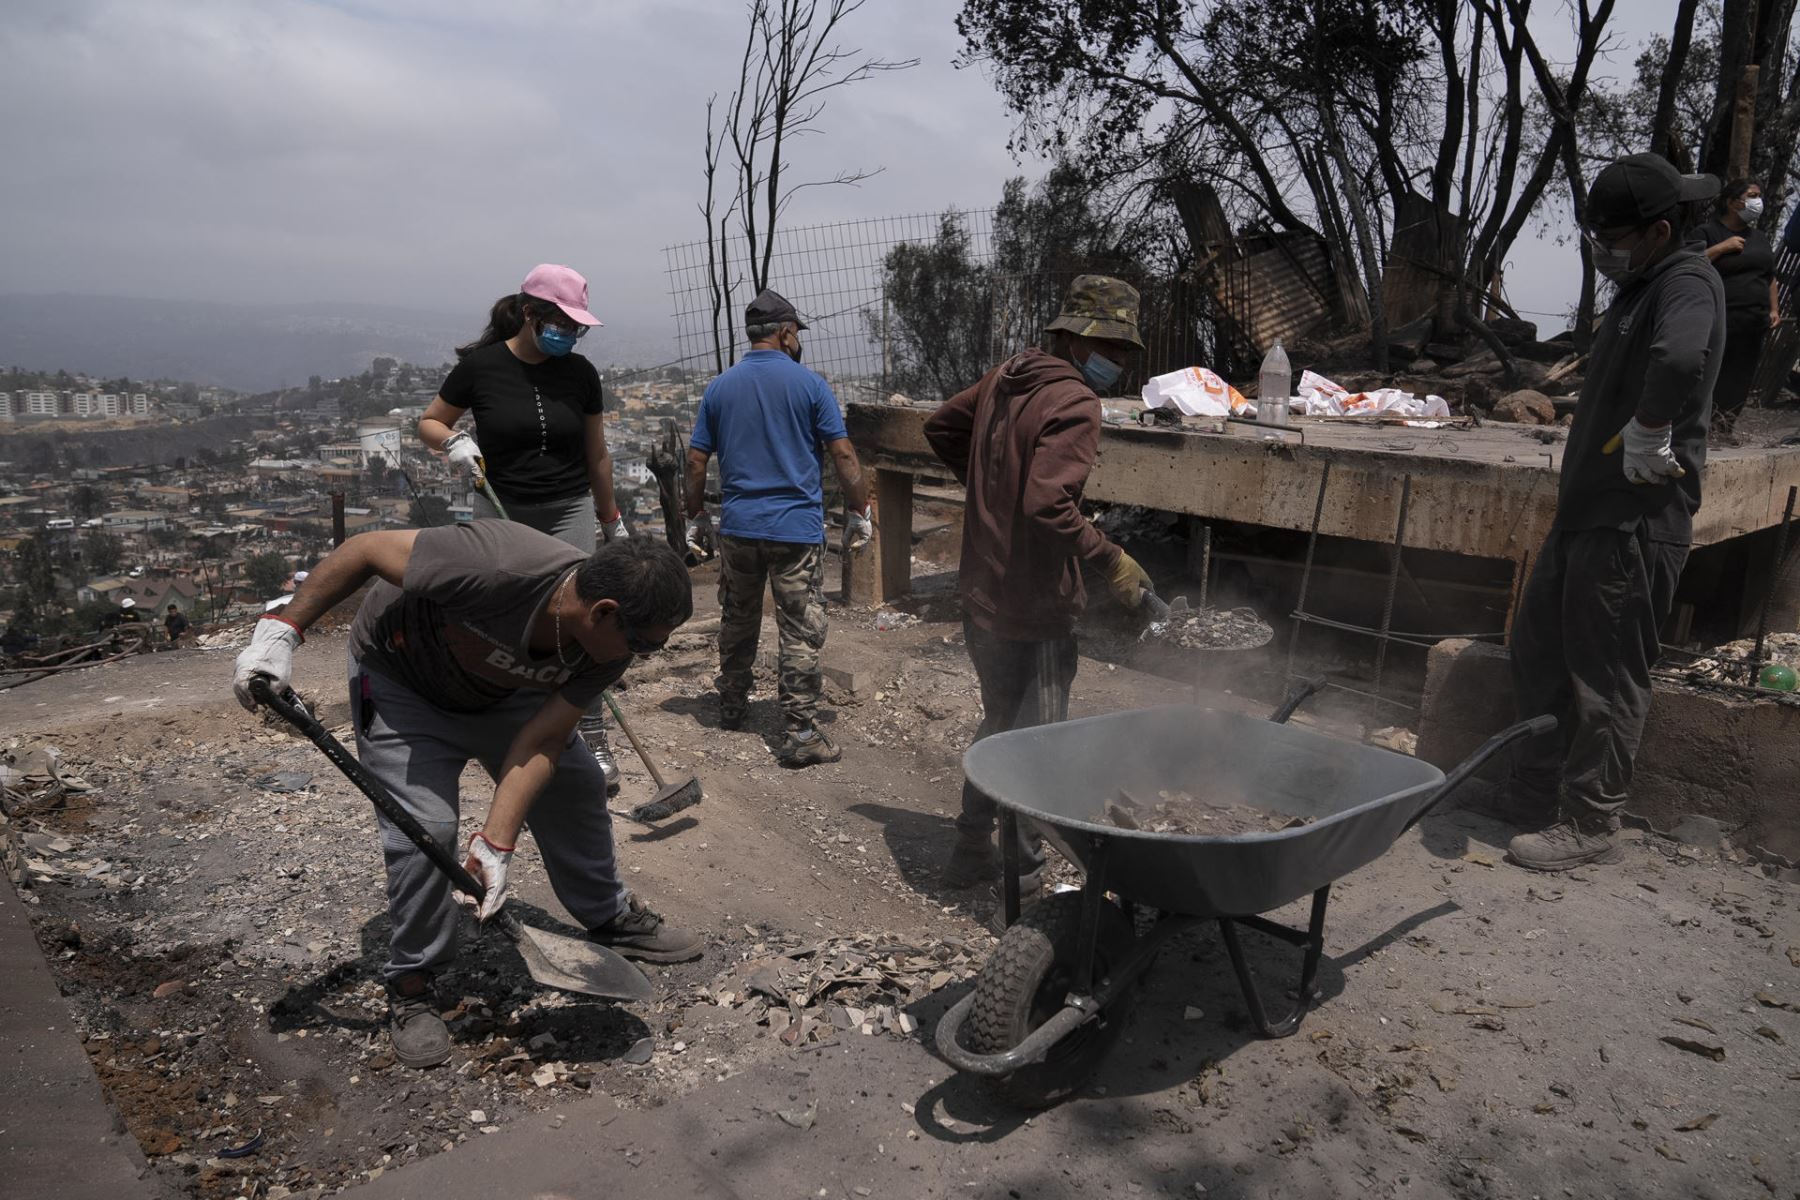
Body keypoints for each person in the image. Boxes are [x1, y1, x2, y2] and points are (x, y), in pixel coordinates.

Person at [231, 524, 702, 1069]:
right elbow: (363, 549)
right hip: (400, 683)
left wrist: (496, 844)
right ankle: (412, 980)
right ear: (601, 611)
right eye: (643, 643)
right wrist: (279, 632)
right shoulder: (497, 566)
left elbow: (544, 739)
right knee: (425, 829)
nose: (644, 655)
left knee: (575, 781)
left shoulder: (609, 647)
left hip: (504, 695)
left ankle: (608, 916)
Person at [1506, 153, 1725, 872]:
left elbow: (1684, 357)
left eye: (1616, 237)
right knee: (1539, 651)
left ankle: (1591, 823)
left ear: (1660, 230)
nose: (1602, 250)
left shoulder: (1687, 280)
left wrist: (1652, 428)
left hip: (1633, 524)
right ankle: (1533, 797)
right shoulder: (1642, 283)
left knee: (1606, 675)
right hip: (1586, 515)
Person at [922, 275, 1154, 890]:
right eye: (1117, 348)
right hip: (1035, 604)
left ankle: (971, 848)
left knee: (1001, 722)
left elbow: (943, 427)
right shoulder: (1075, 401)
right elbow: (1049, 506)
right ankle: (1023, 877)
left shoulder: (1009, 375)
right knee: (1040, 740)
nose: (1121, 362)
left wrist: (988, 487)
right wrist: (1110, 559)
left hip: (982, 592)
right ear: (1080, 340)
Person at [418, 264, 632, 791]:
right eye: (562, 322)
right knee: (501, 615)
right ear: (531, 313)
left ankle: (590, 731)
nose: (570, 334)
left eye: (577, 327)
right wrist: (452, 443)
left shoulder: (581, 374)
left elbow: (596, 453)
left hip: (567, 508)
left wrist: (612, 522)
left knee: (585, 622)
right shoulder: (481, 368)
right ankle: (504, 725)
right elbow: (429, 420)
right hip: (502, 508)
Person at [683, 288, 872, 767]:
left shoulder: (721, 387)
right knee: (799, 629)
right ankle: (802, 731)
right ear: (786, 333)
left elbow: (695, 461)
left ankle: (731, 706)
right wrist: (859, 510)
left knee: (738, 617)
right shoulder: (810, 386)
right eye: (796, 334)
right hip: (795, 531)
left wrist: (696, 517)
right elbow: (844, 455)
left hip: (741, 527)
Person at [1692, 179, 1781, 428]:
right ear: (1732, 202)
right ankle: (1700, 424)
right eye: (1752, 195)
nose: (1757, 201)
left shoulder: (1760, 238)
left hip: (1754, 319)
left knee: (1741, 375)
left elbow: (1770, 276)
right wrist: (1721, 248)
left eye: (1758, 195)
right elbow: (1688, 263)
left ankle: (1725, 424)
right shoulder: (1707, 233)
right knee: (1713, 372)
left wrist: (1774, 309)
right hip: (1719, 317)